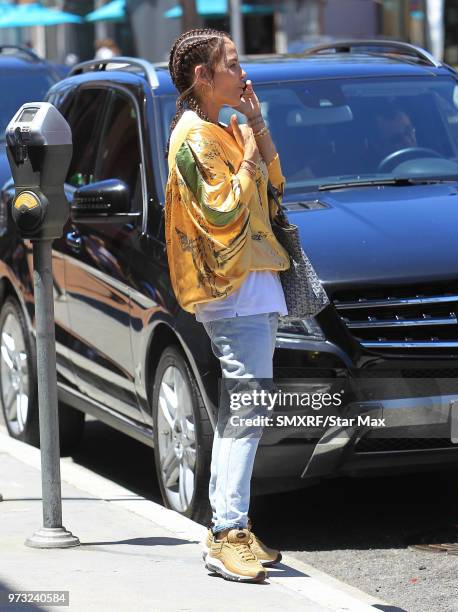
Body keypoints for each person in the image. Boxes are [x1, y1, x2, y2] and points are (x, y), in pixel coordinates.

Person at [164, 28, 291, 583]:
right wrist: (246, 161)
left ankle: (228, 526)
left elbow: (277, 186)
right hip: (231, 294)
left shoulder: (222, 130)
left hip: (252, 289)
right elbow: (220, 214)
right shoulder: (193, 139)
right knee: (247, 411)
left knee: (242, 410)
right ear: (203, 77)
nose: (244, 76)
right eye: (233, 66)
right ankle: (226, 532)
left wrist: (256, 128)